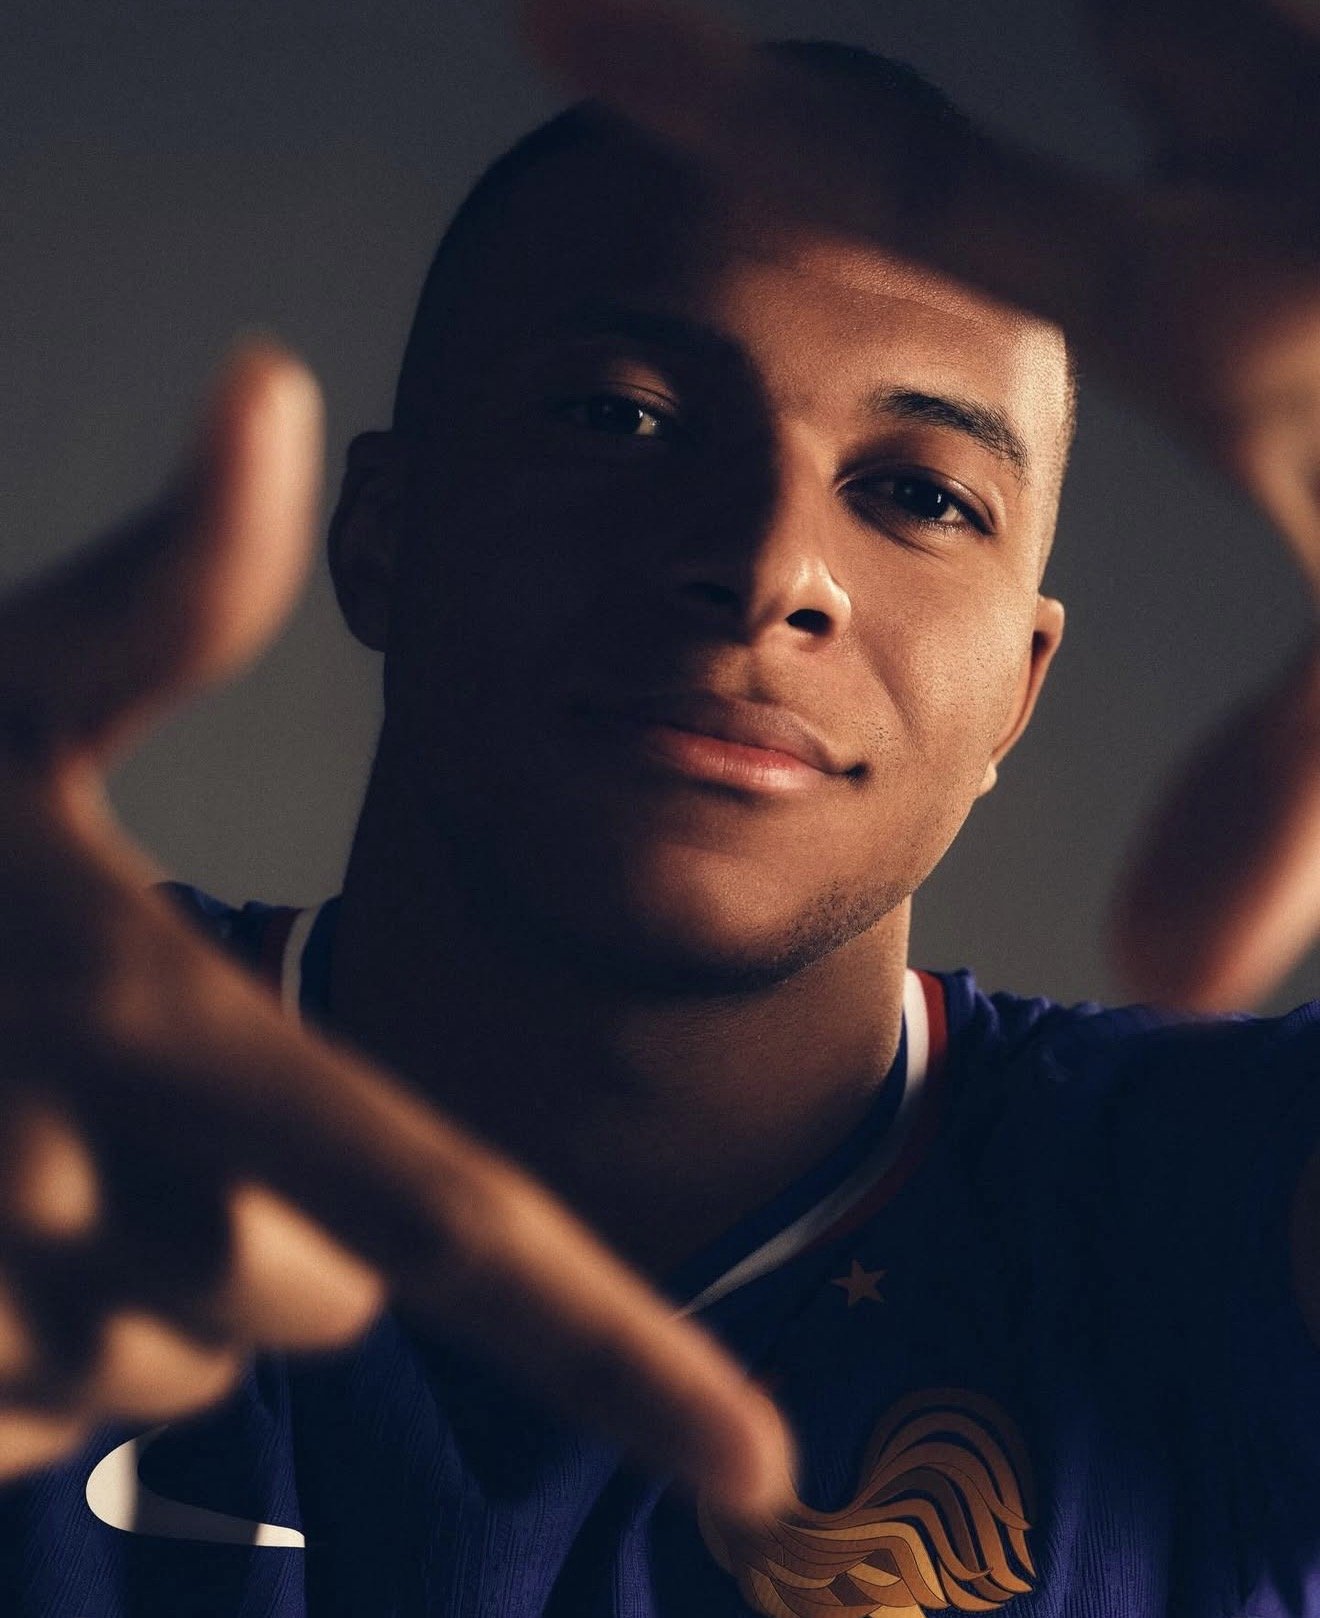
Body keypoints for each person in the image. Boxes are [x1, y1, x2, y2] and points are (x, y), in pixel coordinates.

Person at [2, 9, 1320, 1618]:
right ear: (383, 535)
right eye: (620, 415)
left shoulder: (1228, 1207)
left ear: (1021, 694)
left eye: (919, 491)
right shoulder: (50, 1090)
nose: (769, 564)